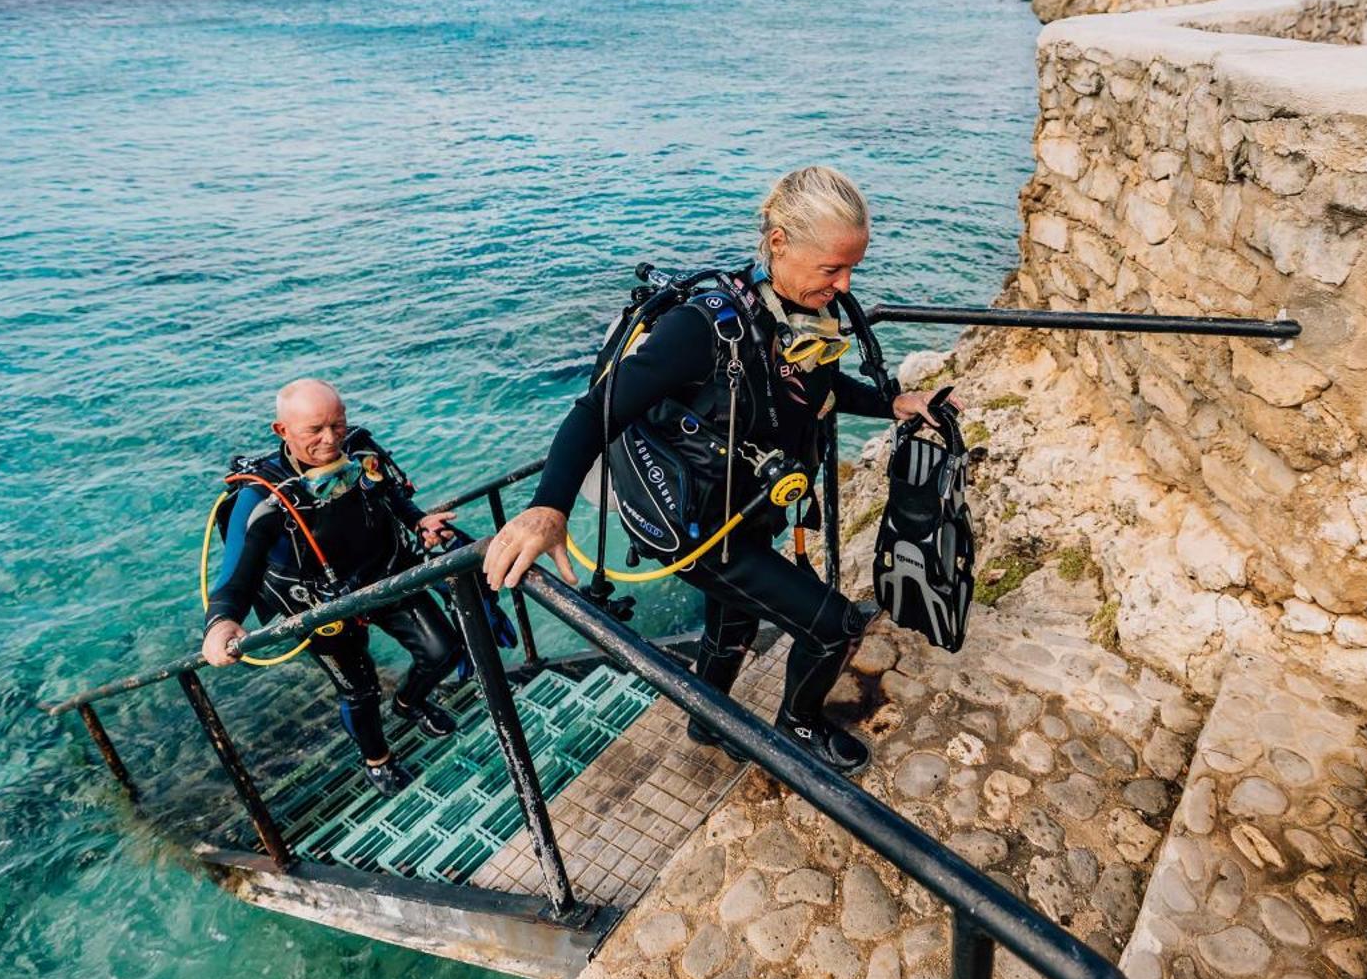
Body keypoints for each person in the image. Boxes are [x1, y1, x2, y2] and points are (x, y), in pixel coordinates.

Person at [483, 167, 954, 776]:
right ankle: (799, 727)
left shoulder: (792, 310)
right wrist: (549, 509)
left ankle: (706, 721)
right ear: (779, 242)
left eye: (852, 270)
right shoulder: (700, 330)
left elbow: (816, 384)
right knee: (835, 627)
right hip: (700, 529)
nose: (844, 286)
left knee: (735, 621)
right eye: (831, 269)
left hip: (748, 509)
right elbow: (594, 412)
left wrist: (888, 403)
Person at [203, 378, 462, 796]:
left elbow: (390, 493)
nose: (331, 440)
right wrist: (220, 624)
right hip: (321, 607)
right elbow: (236, 575)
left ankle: (409, 702)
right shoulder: (262, 498)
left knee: (443, 650)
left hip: (386, 574)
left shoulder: (361, 451)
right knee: (360, 690)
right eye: (315, 430)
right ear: (282, 430)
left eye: (338, 425)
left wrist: (419, 520)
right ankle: (378, 762)